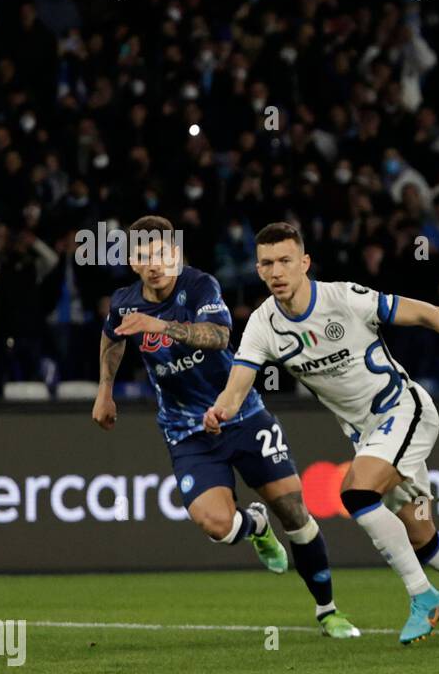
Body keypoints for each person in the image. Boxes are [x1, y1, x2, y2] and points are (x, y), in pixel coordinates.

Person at [207, 222, 439, 645]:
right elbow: (236, 389)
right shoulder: (262, 326)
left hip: (404, 412)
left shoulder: (346, 298)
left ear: (305, 263)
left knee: (356, 493)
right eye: (267, 263)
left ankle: (423, 597)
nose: (276, 271)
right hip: (368, 436)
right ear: (258, 268)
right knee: (422, 538)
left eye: (286, 260)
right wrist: (220, 410)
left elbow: (431, 314)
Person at [92, 215, 359, 639]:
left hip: (242, 415)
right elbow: (112, 336)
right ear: (132, 261)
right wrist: (105, 389)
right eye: (143, 256)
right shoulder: (125, 302)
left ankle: (328, 610)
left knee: (295, 512)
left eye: (162, 253)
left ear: (175, 254)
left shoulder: (199, 286)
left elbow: (218, 336)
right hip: (186, 430)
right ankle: (254, 525)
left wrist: (159, 325)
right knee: (218, 526)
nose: (154, 263)